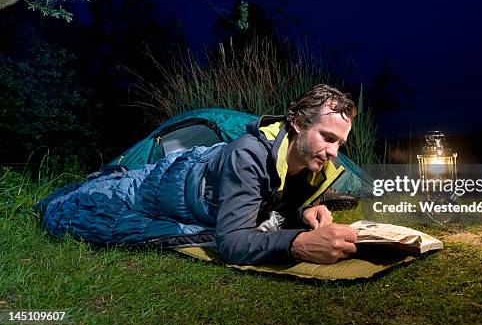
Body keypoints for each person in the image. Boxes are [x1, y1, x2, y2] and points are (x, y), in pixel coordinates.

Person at [36, 84, 359, 265]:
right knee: (86, 200)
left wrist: (304, 213)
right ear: (299, 124)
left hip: (202, 168)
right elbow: (231, 242)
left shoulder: (311, 163)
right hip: (172, 180)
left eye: (339, 143)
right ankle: (101, 179)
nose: (333, 151)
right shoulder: (248, 155)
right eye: (327, 138)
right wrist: (299, 244)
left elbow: (274, 200)